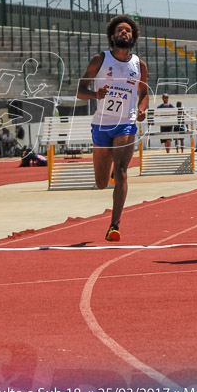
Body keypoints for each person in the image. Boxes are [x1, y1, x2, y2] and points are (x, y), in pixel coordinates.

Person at [77, 15, 149, 242]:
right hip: (101, 125)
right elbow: (80, 90)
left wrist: (141, 108)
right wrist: (94, 94)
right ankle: (107, 173)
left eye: (128, 30)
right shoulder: (100, 59)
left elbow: (144, 92)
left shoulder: (139, 65)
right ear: (112, 35)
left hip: (125, 124)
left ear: (133, 36)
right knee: (100, 183)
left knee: (121, 170)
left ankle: (114, 225)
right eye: (120, 30)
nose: (124, 33)